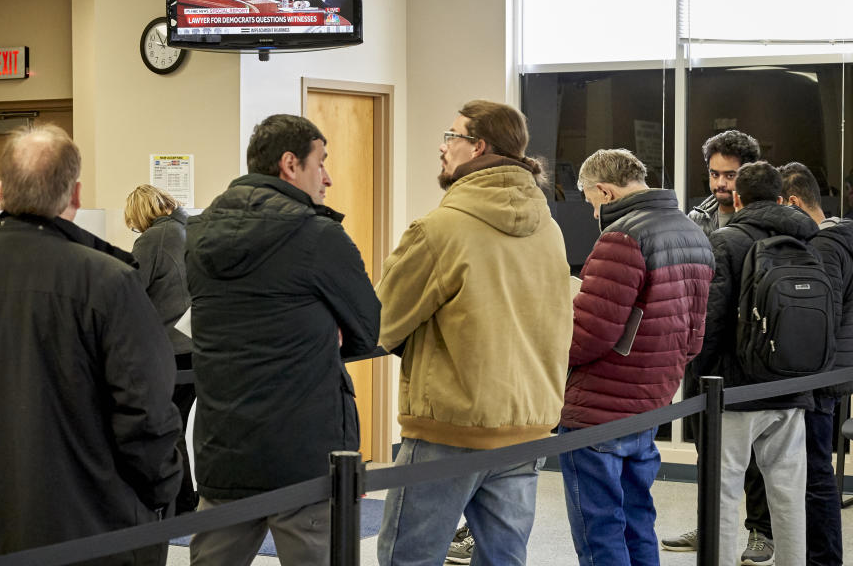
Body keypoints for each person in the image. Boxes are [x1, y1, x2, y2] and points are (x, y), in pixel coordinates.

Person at [0, 124, 182, 566]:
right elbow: (146, 409)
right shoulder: (111, 281)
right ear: (76, 194)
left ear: (4, 191)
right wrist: (159, 492)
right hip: (96, 528)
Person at [376, 100, 572, 566]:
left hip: (451, 425)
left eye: (451, 136)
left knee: (409, 557)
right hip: (528, 423)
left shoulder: (440, 228)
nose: (443, 147)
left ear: (477, 146)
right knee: (504, 559)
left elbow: (381, 320)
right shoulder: (549, 229)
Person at [186, 114, 380, 566]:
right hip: (304, 455)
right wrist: (323, 332)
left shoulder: (196, 235)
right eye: (322, 163)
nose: (328, 178)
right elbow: (367, 330)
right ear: (290, 165)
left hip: (223, 449)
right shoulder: (318, 236)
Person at [558, 149, 714, 566]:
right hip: (652, 398)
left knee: (600, 527)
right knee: (638, 517)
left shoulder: (621, 237)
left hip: (599, 406)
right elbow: (695, 334)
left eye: (592, 204)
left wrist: (551, 356)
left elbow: (591, 333)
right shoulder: (693, 232)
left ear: (605, 191)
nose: (594, 215)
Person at [690, 161, 814, 566]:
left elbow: (712, 318)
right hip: (793, 381)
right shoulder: (808, 237)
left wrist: (700, 372)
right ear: (781, 198)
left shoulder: (726, 241)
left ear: (738, 198)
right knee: (789, 492)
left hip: (734, 388)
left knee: (724, 492)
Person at [662, 129, 774, 565]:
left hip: (751, 348)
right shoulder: (698, 217)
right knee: (705, 441)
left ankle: (760, 531)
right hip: (703, 345)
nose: (721, 184)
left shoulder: (767, 218)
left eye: (730, 175)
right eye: (714, 174)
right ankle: (712, 522)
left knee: (754, 454)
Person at [778, 161, 852, 566]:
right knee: (816, 472)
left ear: (792, 201)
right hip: (838, 369)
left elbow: (821, 318)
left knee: (814, 476)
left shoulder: (822, 247)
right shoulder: (845, 235)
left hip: (821, 375)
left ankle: (823, 559)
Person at [125, 184, 197, 516]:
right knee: (185, 425)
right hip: (199, 344)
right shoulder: (190, 229)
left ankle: (180, 503)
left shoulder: (153, 239)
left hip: (172, 348)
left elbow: (130, 289)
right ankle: (187, 499)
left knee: (170, 427)